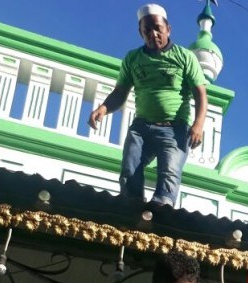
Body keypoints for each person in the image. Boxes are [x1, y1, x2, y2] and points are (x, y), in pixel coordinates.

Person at [88, 3, 208, 207]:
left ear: (168, 29)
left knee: (169, 172)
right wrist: (103, 108)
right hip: (141, 127)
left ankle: (161, 210)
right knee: (130, 168)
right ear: (140, 33)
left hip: (174, 128)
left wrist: (198, 124)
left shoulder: (184, 57)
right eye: (147, 30)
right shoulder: (132, 59)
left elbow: (200, 93)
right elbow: (120, 93)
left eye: (158, 29)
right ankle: (132, 206)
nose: (153, 34)